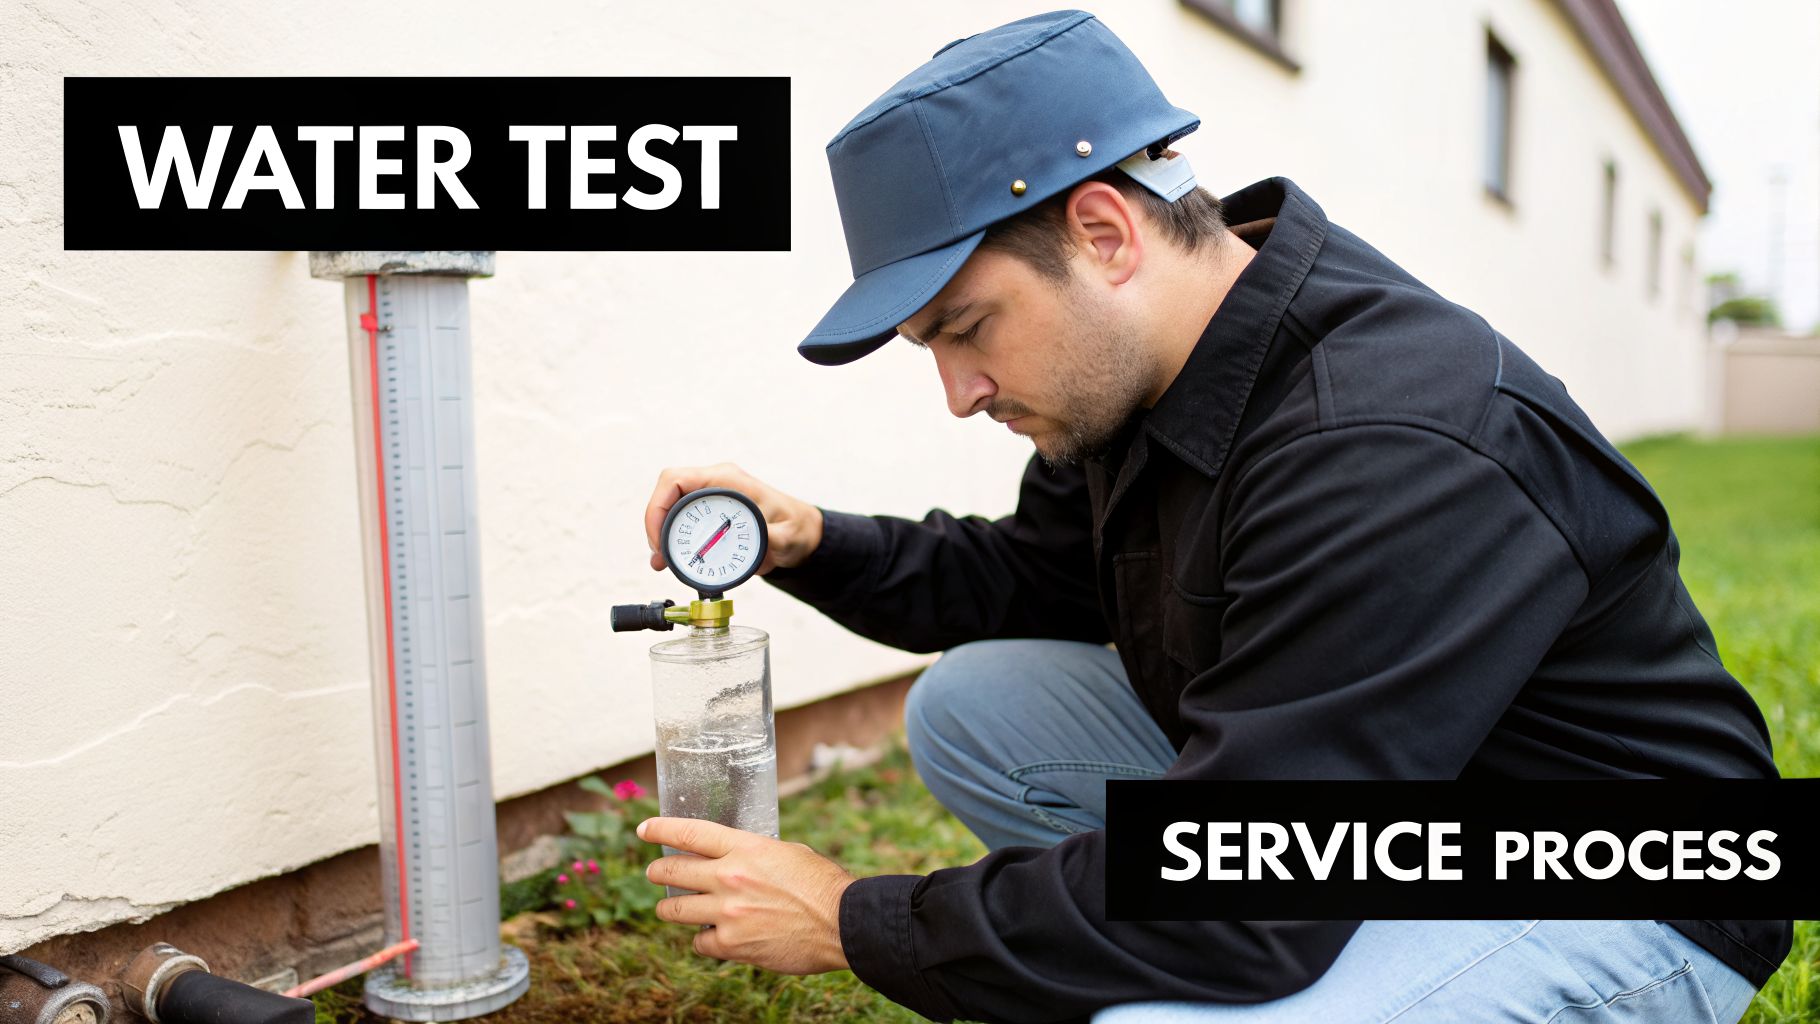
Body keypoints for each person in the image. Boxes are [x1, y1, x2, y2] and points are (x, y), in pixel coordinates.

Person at [633, 10, 1790, 1023]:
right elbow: (1024, 581)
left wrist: (853, 918)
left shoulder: (1386, 442)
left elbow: (1241, 898)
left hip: (1616, 893)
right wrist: (807, 539)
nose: (958, 393)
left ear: (1102, 233)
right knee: (973, 704)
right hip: (1363, 812)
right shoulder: (1140, 377)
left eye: (965, 327)